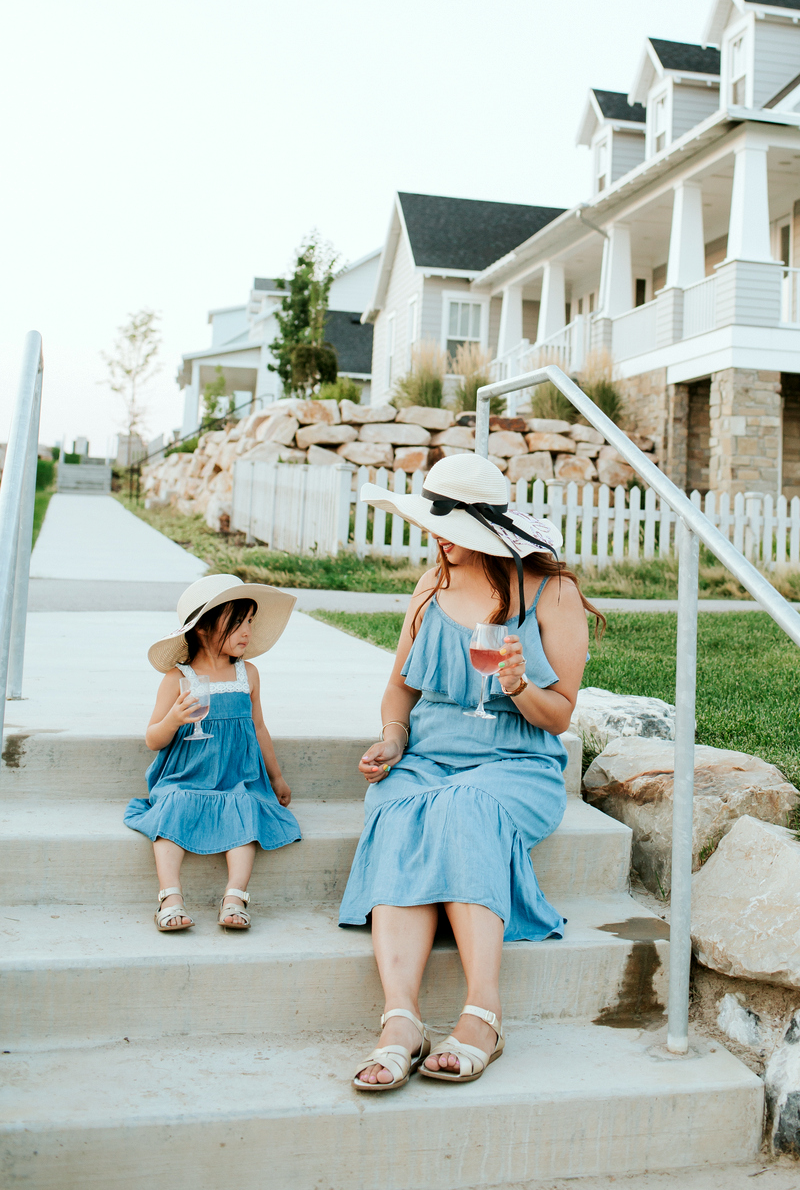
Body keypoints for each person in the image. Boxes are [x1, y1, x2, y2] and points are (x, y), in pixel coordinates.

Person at [340, 451, 604, 1092]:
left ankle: (483, 1014)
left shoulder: (550, 592)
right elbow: (400, 689)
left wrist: (518, 684)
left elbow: (558, 716)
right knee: (400, 811)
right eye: (434, 522)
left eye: (452, 527)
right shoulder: (430, 587)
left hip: (515, 765)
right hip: (426, 760)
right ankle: (400, 1020)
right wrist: (393, 738)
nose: (438, 538)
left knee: (464, 807)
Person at [124, 574, 301, 932]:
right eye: (237, 623)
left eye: (250, 622)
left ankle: (235, 896)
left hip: (237, 776)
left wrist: (277, 777)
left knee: (245, 809)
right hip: (187, 775)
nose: (247, 631)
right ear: (203, 628)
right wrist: (174, 719)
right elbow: (153, 739)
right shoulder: (178, 679)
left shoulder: (247, 674)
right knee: (172, 808)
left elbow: (259, 728)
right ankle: (170, 897)